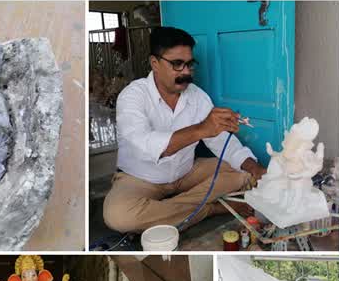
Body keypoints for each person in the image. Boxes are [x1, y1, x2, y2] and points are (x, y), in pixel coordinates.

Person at [103, 26, 266, 233]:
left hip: (185, 173)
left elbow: (223, 142)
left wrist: (255, 168)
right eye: (177, 64)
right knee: (118, 216)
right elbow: (145, 145)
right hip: (141, 179)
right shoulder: (133, 96)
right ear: (155, 63)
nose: (186, 72)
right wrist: (201, 129)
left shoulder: (197, 96)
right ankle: (210, 209)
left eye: (190, 64)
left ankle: (173, 211)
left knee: (243, 173)